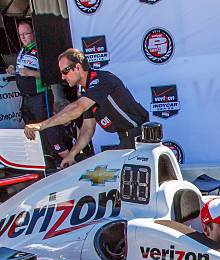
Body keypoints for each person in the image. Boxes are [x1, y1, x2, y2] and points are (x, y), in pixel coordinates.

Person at [23, 48, 149, 167]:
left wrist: (41, 125)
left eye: (65, 71)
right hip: (127, 137)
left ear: (78, 67)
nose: (62, 77)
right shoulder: (86, 91)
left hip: (139, 137)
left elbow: (77, 108)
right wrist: (72, 154)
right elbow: (88, 128)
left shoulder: (102, 80)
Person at [6, 21, 64, 165]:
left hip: (41, 96)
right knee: (32, 131)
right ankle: (45, 160)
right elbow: (21, 70)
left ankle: (65, 158)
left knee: (48, 128)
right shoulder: (22, 50)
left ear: (33, 33)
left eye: (26, 34)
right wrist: (13, 70)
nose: (24, 37)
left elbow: (51, 74)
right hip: (26, 98)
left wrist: (30, 72)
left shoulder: (40, 50)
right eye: (21, 35)